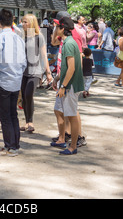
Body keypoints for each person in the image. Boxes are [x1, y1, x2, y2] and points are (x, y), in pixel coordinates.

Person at [0, 9, 26, 157]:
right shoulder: (19, 38)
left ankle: (9, 146)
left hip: (2, 81)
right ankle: (14, 145)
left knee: (5, 116)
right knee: (13, 115)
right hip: (16, 81)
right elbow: (24, 62)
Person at [51, 16, 84, 155]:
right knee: (58, 110)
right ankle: (62, 139)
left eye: (57, 26)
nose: (54, 28)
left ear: (62, 29)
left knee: (71, 115)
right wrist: (57, 78)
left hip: (70, 86)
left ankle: (73, 146)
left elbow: (71, 68)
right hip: (64, 83)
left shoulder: (69, 43)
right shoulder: (66, 42)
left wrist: (63, 86)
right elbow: (66, 67)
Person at [20, 13, 52, 133]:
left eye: (25, 22)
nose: (23, 24)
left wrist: (48, 72)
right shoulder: (22, 37)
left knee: (28, 95)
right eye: (22, 22)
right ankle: (27, 122)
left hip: (35, 71)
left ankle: (31, 122)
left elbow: (44, 56)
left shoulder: (39, 37)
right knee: (23, 97)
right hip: (23, 72)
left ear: (31, 23)